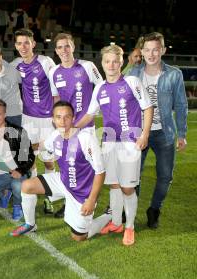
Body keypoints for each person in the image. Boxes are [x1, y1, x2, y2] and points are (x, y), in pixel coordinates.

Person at [76, 44, 153, 246]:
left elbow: (147, 107)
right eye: (107, 61)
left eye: (115, 61)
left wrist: (144, 134)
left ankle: (130, 227)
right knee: (114, 184)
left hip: (130, 143)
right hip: (109, 143)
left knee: (128, 188)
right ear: (102, 63)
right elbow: (90, 114)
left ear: (121, 62)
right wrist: (71, 128)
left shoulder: (131, 81)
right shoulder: (100, 88)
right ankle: (117, 222)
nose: (111, 65)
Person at [10, 101, 110, 240]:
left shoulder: (85, 138)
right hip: (62, 181)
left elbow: (100, 172)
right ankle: (30, 224)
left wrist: (91, 200)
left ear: (73, 118)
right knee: (27, 186)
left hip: (81, 192)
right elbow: (42, 145)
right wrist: (22, 147)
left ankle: (109, 214)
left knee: (79, 237)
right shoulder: (56, 135)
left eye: (67, 117)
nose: (62, 121)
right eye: (58, 117)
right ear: (53, 119)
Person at [128, 32, 188, 229]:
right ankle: (130, 210)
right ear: (142, 51)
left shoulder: (174, 74)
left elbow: (180, 104)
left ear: (162, 50)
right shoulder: (133, 73)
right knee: (133, 175)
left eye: (156, 49)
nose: (151, 54)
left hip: (164, 133)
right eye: (147, 50)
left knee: (165, 176)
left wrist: (182, 133)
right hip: (138, 132)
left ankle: (154, 209)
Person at [48, 32, 103, 217]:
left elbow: (101, 88)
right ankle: (69, 202)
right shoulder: (53, 72)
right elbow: (56, 98)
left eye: (67, 46)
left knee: (89, 168)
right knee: (67, 167)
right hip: (65, 128)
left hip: (85, 127)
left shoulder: (87, 66)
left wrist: (91, 112)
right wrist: (57, 121)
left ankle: (90, 201)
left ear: (73, 47)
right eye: (60, 47)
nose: (64, 50)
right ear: (55, 51)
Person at [11, 28, 56, 180]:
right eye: (19, 44)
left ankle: (50, 193)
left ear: (33, 44)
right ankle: (34, 187)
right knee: (30, 157)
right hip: (28, 117)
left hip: (47, 118)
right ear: (15, 46)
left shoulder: (45, 62)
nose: (23, 47)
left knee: (49, 160)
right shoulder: (16, 64)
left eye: (26, 43)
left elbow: (57, 88)